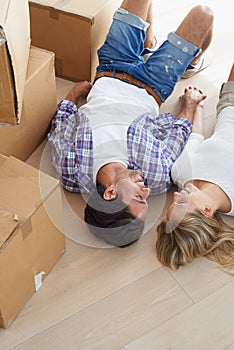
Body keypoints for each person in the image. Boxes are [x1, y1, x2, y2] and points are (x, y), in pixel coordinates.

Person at [48, 0, 213, 247]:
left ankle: (147, 43)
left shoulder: (71, 169)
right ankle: (190, 61)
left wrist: (73, 94)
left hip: (111, 67)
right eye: (146, 200)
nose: (146, 191)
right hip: (154, 83)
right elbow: (178, 134)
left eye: (138, 197)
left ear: (110, 193)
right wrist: (189, 105)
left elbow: (61, 126)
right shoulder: (156, 176)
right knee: (204, 14)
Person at [156, 62, 234, 275]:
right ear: (207, 211)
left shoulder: (182, 174)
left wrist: (197, 106)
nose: (175, 196)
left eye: (172, 203)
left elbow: (196, 136)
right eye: (181, 203)